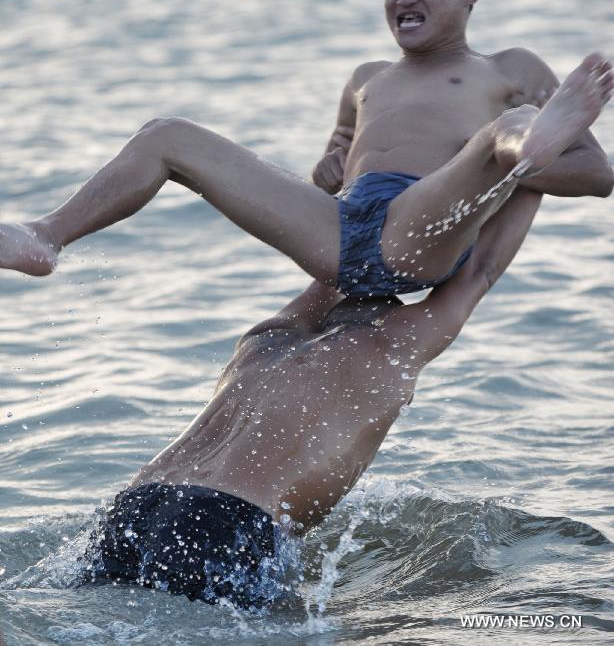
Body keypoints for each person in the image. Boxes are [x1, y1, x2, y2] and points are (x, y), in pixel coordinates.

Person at [0, 0, 611, 294]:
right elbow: (339, 164)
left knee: (507, 134)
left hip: (423, 230)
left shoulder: (509, 68)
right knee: (168, 135)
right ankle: (46, 237)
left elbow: (597, 174)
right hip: (342, 236)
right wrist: (329, 169)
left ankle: (514, 146)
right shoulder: (367, 78)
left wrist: (511, 172)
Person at [81, 187, 541, 610]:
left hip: (135, 507)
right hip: (227, 518)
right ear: (396, 316)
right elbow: (479, 271)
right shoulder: (390, 348)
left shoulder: (265, 339)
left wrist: (351, 187)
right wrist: (530, 177)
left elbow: (336, 264)